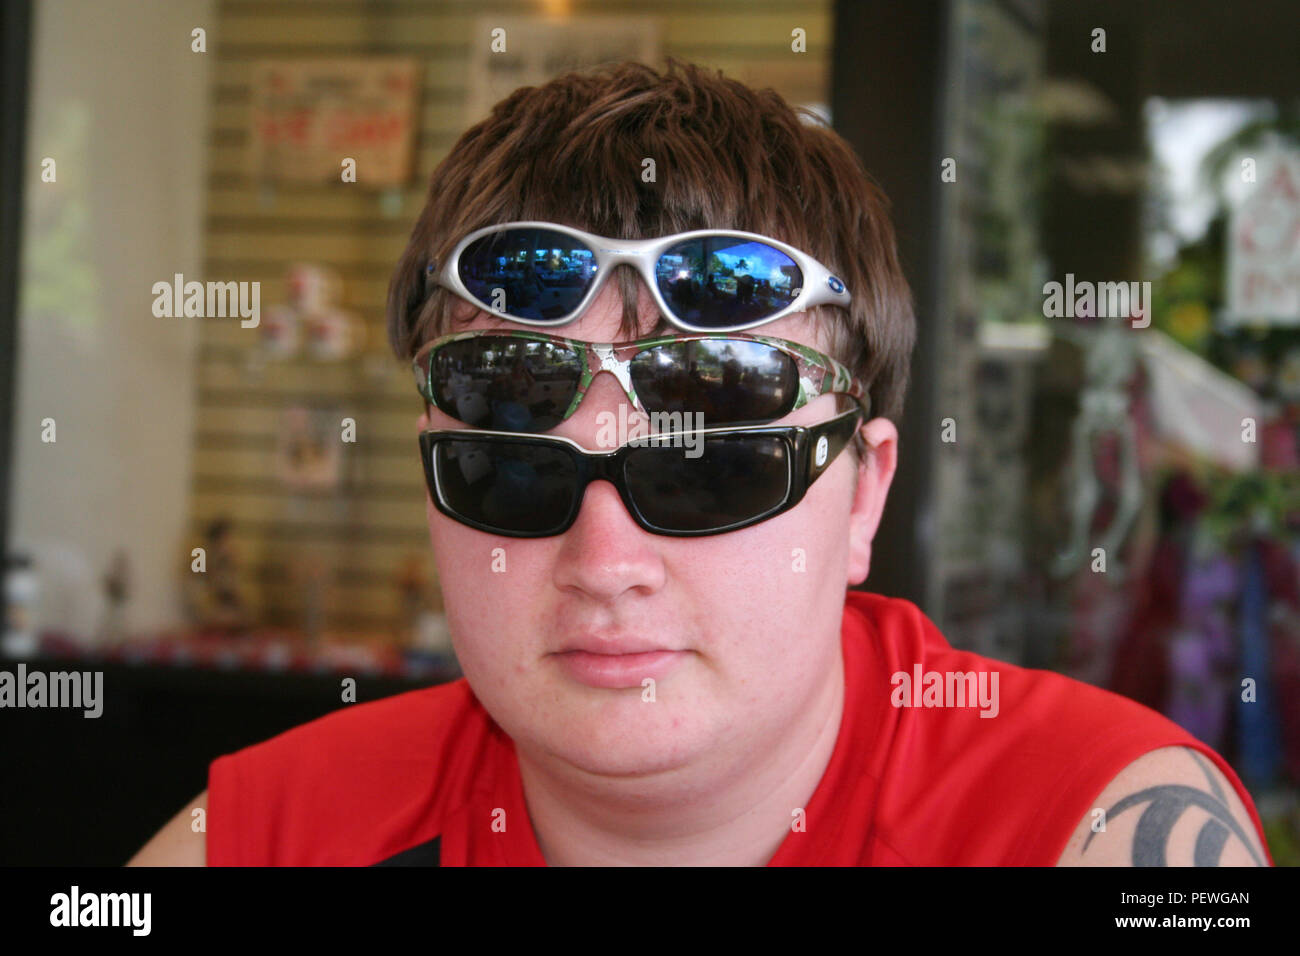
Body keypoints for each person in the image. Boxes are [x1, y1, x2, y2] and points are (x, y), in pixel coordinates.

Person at [129, 59, 1272, 867]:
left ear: (864, 493)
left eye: (712, 465)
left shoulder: (1097, 825)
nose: (605, 559)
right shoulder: (269, 832)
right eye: (511, 465)